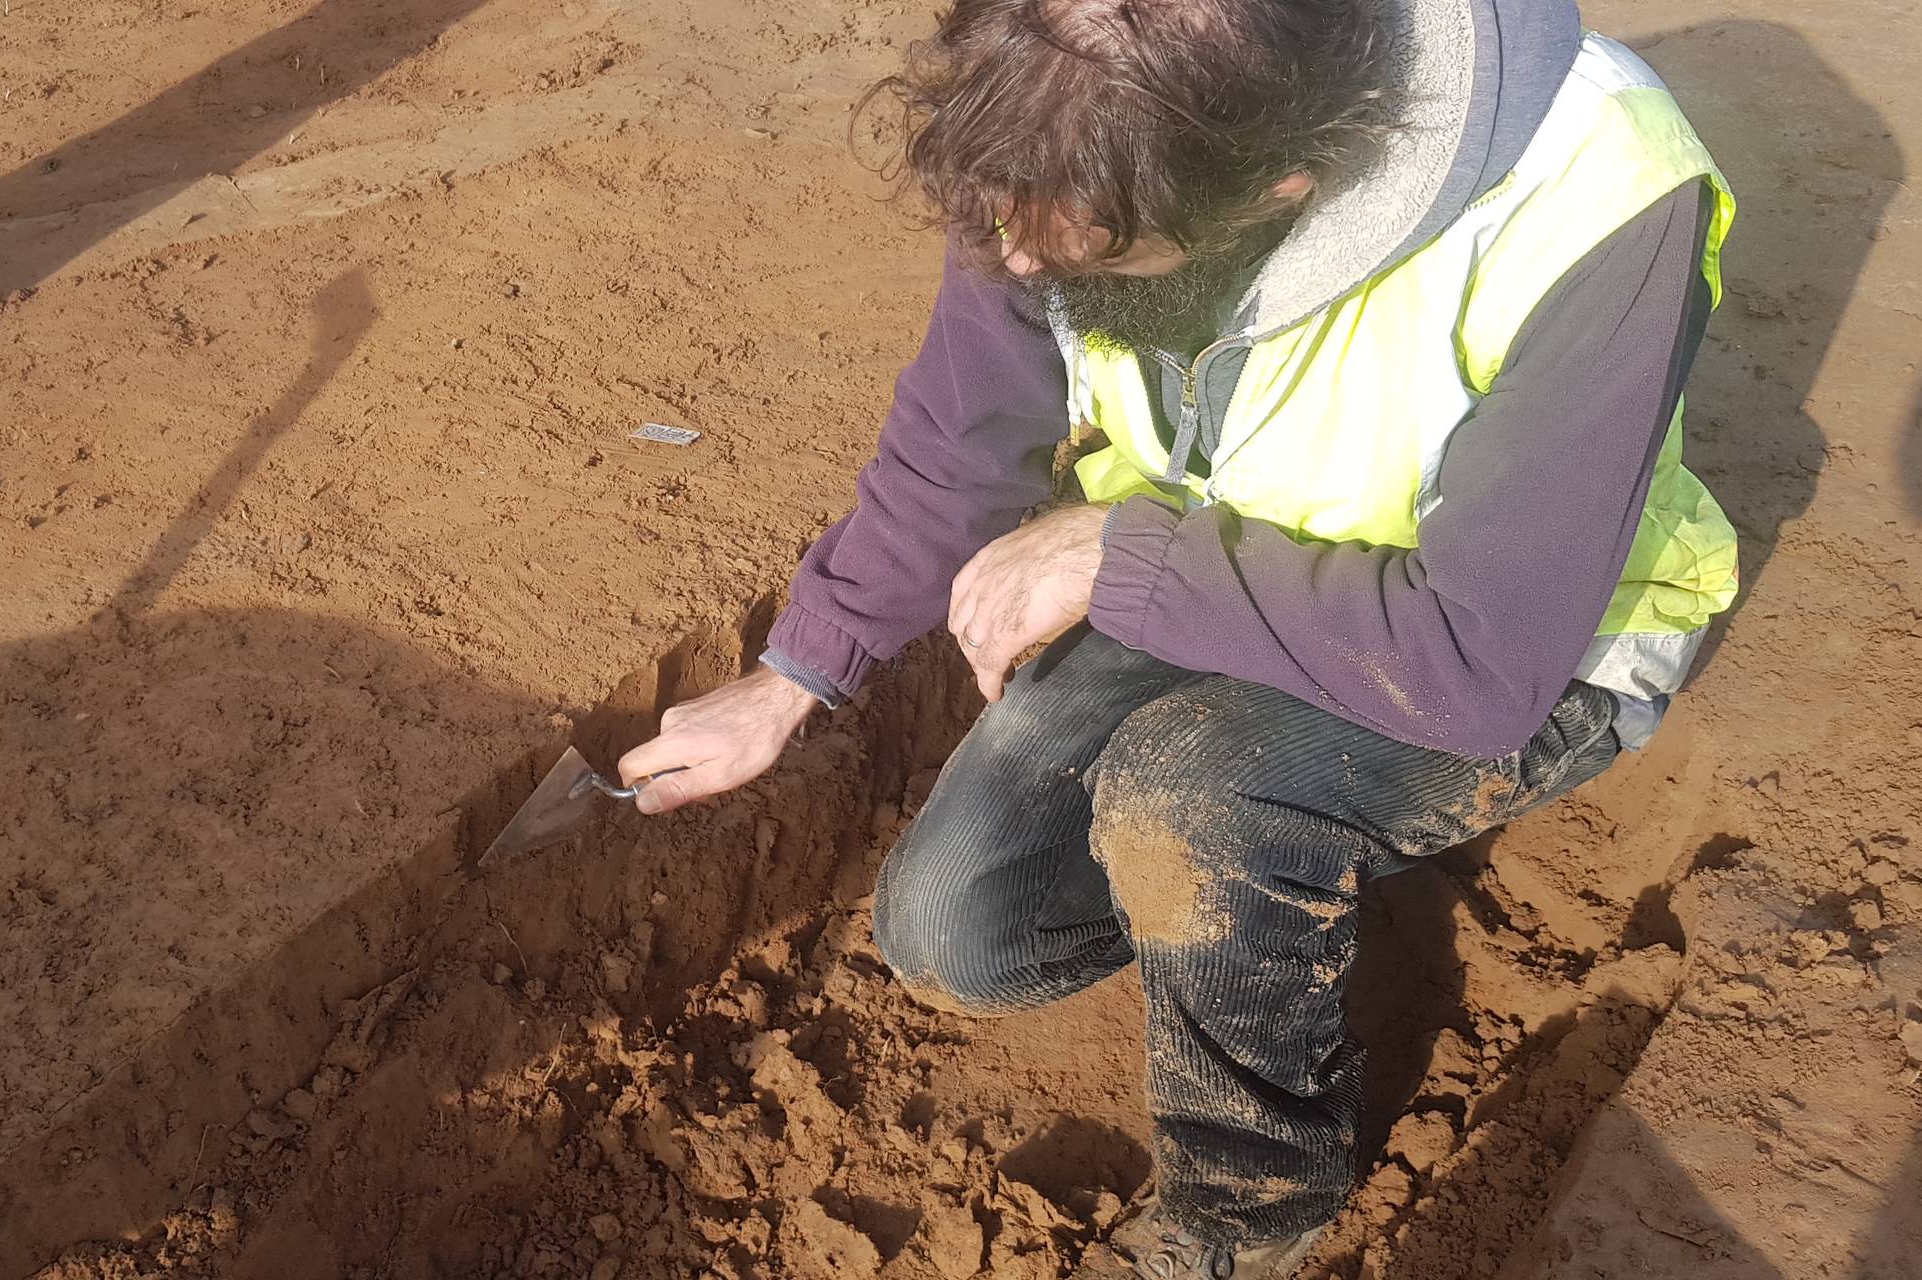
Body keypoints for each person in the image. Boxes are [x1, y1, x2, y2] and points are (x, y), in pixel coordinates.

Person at [618, 0, 1737, 1274]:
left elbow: (1479, 657)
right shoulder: (1055, 139)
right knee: (957, 926)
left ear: (1278, 188)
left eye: (1095, 252)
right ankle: (1286, 869)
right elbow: (960, 426)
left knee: (1191, 796)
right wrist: (790, 673)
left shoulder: (1598, 185)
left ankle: (1250, 1213)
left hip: (1517, 642)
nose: (1028, 273)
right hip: (1204, 568)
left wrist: (1114, 553)